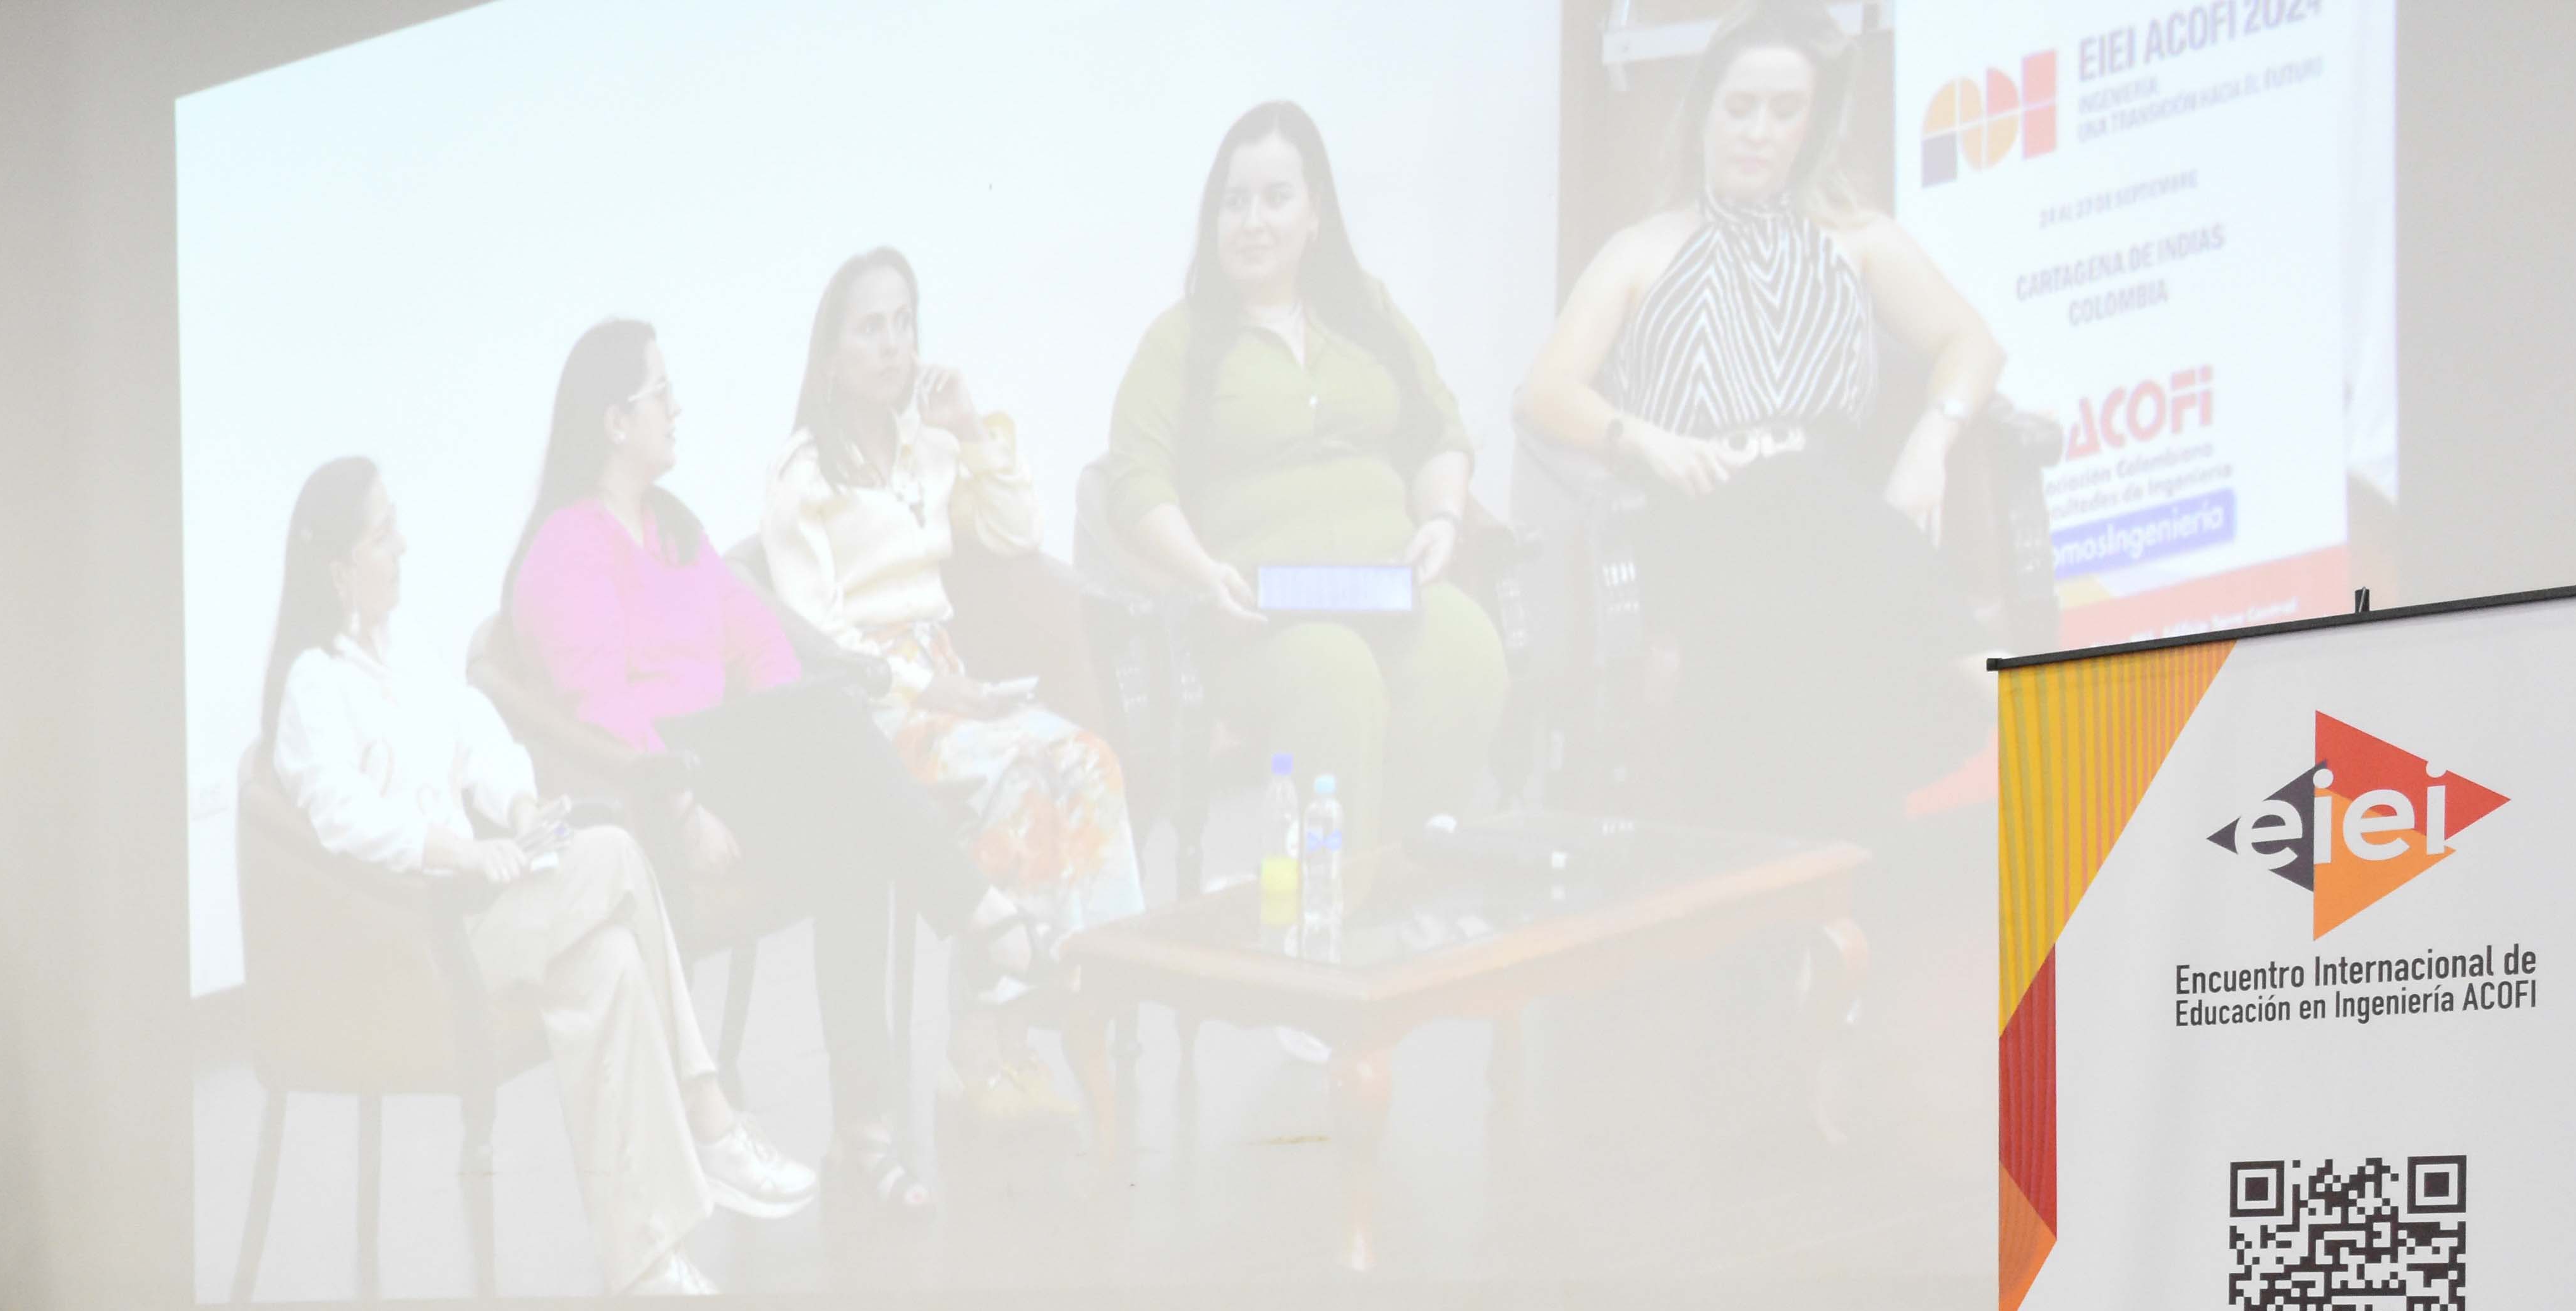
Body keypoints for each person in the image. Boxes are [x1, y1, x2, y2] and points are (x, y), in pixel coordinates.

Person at [508, 317, 1037, 1212]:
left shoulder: (672, 531)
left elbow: (760, 646)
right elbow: (597, 709)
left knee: (855, 830)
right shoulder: (568, 546)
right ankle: (976, 910)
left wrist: (801, 752)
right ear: (614, 422)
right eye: (660, 393)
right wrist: (684, 804)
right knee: (834, 732)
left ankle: (864, 1134)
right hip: (652, 781)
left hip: (727, 755)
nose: (677, 408)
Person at [266, 456, 816, 1296]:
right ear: (339, 569)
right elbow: (342, 817)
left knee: (611, 964)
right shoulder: (314, 684)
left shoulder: (403, 649)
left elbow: (478, 737)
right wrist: (460, 851)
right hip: (423, 939)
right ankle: (710, 1114)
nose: (403, 545)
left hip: (481, 908)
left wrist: (521, 807)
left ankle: (642, 1258)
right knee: (618, 854)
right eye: (383, 534)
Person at [1517, 0, 2001, 831]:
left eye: (1784, 111)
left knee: (1804, 521)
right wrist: (1642, 439)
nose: (1757, 132)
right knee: (1800, 513)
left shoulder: (1858, 238)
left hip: (1820, 511)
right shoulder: (1641, 249)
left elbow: (1972, 342)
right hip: (1694, 504)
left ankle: (1822, 849)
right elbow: (1545, 391)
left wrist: (1933, 438)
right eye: (1740, 108)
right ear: (1704, 111)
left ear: (1811, 127)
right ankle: (1981, 671)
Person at [763, 250, 1141, 1126]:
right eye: (870, 328)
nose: (893, 346)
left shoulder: (926, 448)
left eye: (904, 324)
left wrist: (970, 431)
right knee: (1018, 775)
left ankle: (1070, 1002)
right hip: (872, 701)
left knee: (1086, 758)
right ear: (831, 355)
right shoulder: (801, 475)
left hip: (951, 679)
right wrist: (926, 687)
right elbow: (816, 634)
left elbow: (1017, 532)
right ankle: (980, 1046)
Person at [1104, 102, 1512, 845]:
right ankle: (1331, 896)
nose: (1252, 221)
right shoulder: (1181, 340)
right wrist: (1203, 573)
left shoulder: (1366, 312)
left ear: (1315, 213)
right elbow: (1135, 483)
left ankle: (1401, 868)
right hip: (1258, 617)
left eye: (1275, 198)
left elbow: (1439, 432)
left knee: (1469, 650)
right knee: (1336, 674)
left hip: (1387, 588)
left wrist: (1444, 519)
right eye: (1234, 202)